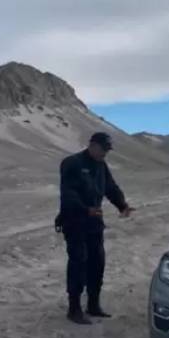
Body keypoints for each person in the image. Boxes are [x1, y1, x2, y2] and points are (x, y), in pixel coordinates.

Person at [58, 132, 135, 324]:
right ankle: (74, 308)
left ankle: (93, 305)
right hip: (74, 222)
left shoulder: (101, 165)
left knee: (97, 262)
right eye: (103, 149)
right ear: (92, 145)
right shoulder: (72, 163)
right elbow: (68, 194)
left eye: (107, 150)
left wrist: (122, 205)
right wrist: (85, 210)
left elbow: (110, 187)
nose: (105, 154)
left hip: (94, 223)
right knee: (78, 262)